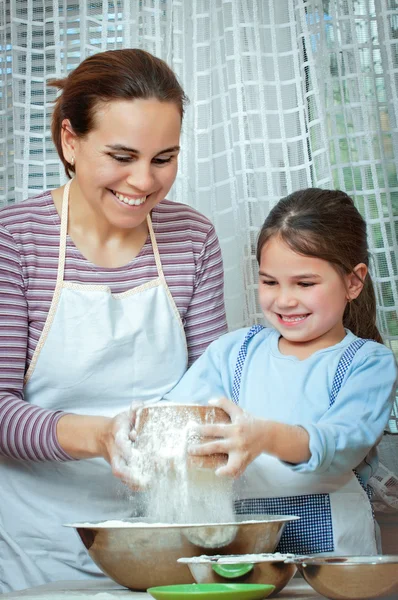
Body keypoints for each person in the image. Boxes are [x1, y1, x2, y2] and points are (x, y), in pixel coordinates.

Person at [0, 49, 227, 592]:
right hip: (40, 545)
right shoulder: (15, 242)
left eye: (164, 157)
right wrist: (102, 437)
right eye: (121, 156)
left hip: (169, 541)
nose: (144, 182)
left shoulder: (193, 238)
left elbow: (211, 385)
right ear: (70, 141)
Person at [165, 188, 398, 556]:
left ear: (353, 282)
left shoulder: (368, 363)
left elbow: (338, 443)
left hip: (335, 563)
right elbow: (174, 417)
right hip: (241, 554)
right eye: (270, 281)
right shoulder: (233, 353)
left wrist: (263, 437)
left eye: (304, 283)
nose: (284, 299)